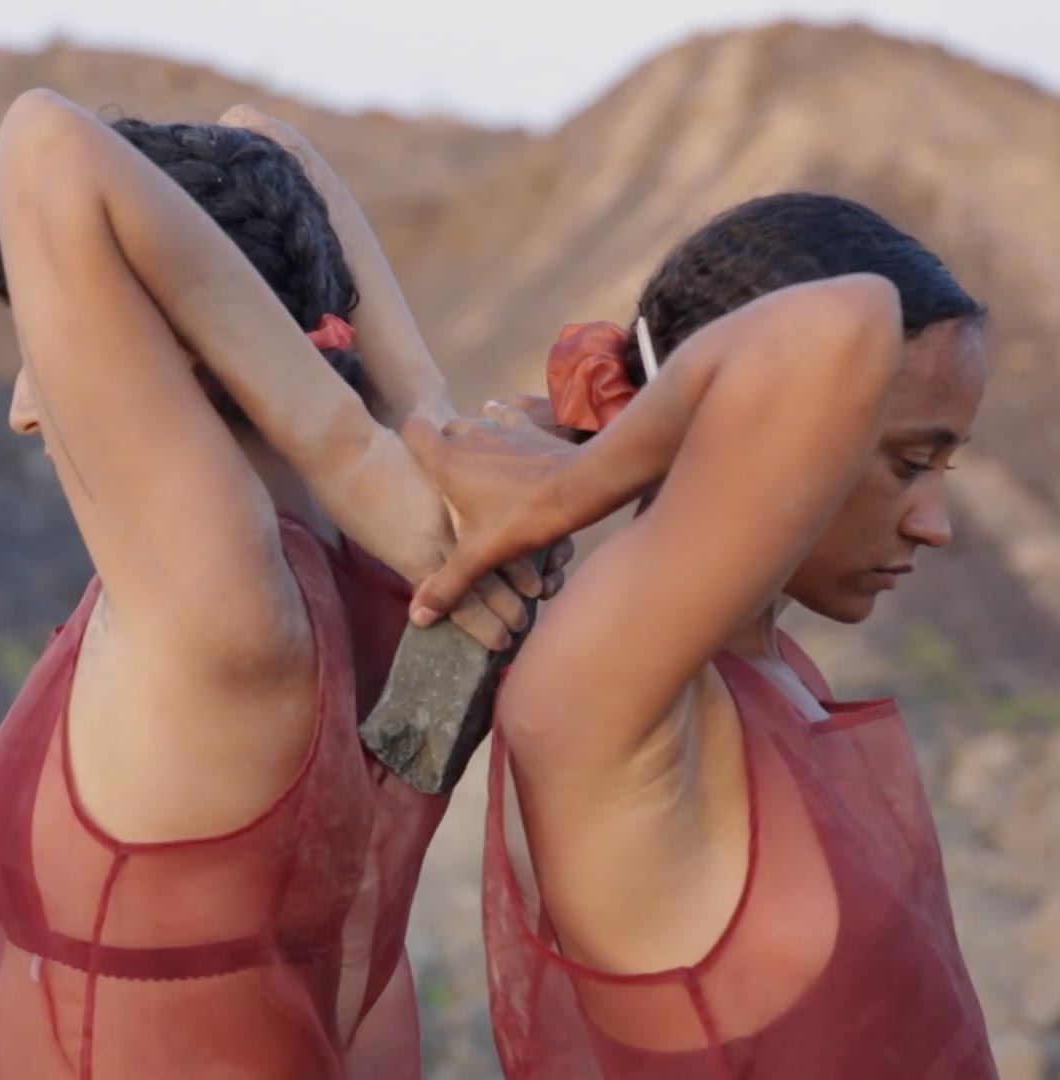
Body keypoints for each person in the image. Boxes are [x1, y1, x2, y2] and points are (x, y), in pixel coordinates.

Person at [0, 92, 564, 1078]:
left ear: (169, 349)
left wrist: (355, 451)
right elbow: (267, 136)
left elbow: (43, 141)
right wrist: (421, 418)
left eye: (46, 348)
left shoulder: (216, 594)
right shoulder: (370, 573)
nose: (25, 408)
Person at [404, 193, 999, 1077]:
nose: (935, 524)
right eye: (910, 462)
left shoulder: (773, 671)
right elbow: (849, 319)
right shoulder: (612, 696)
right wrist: (569, 490)